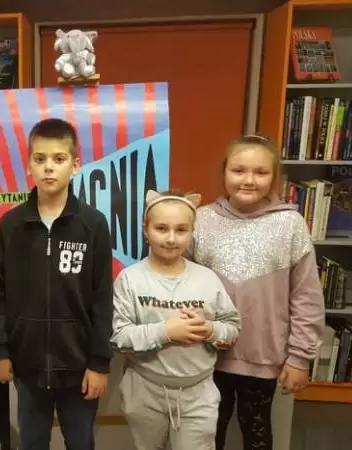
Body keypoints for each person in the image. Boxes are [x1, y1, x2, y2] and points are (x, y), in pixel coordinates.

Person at [0, 118, 113, 450]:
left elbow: (102, 300)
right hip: (27, 365)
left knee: (81, 443)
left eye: (59, 158)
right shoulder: (11, 226)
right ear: (28, 166)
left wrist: (99, 363)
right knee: (32, 442)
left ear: (75, 165)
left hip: (79, 366)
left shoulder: (93, 225)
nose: (49, 167)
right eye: (40, 159)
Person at [190, 135, 325, 450]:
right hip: (206, 357)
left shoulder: (290, 225)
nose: (249, 180)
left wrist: (300, 358)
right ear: (224, 172)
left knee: (257, 433)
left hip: (264, 357)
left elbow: (306, 297)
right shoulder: (201, 220)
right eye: (239, 170)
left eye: (261, 172)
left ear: (274, 176)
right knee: (206, 435)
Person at [111, 189, 240, 450]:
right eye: (161, 228)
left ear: (192, 232)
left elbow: (232, 328)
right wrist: (167, 332)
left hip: (198, 394)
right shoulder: (130, 279)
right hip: (144, 390)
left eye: (181, 230)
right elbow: (119, 338)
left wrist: (210, 330)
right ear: (146, 230)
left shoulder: (207, 278)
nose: (171, 238)